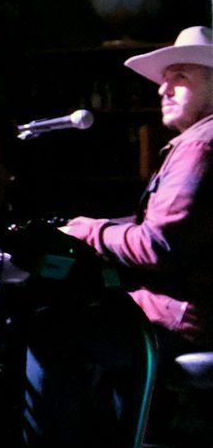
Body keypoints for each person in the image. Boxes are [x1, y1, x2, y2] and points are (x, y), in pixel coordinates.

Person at [61, 27, 213, 348]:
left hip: (183, 319)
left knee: (49, 331)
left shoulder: (199, 146)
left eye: (180, 77)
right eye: (164, 80)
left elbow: (158, 246)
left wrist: (90, 232)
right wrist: (107, 226)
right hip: (191, 314)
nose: (163, 90)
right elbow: (181, 228)